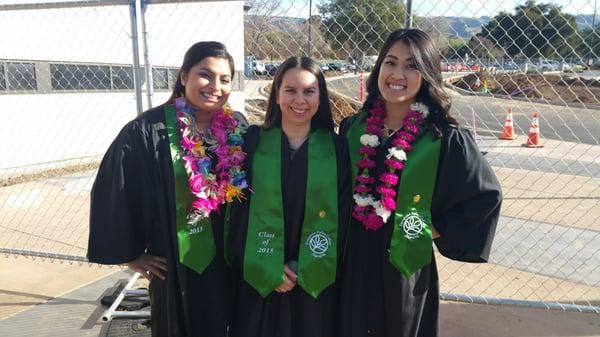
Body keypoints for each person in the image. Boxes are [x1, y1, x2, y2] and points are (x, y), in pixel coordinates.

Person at [339, 29, 502, 337]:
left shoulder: (442, 137)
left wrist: (431, 228)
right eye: (391, 62)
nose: (397, 74)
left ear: (427, 74)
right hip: (353, 262)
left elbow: (485, 196)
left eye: (412, 65)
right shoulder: (352, 129)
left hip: (406, 268)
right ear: (379, 69)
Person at [87, 41, 248, 337]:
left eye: (224, 79)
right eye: (205, 75)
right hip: (177, 264)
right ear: (184, 75)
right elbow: (119, 187)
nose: (215, 86)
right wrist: (132, 253)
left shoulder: (236, 127)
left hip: (230, 260)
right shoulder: (150, 130)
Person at [228, 56, 352, 337]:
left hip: (314, 274)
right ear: (276, 93)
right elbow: (236, 212)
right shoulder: (251, 142)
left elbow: (343, 214)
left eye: (309, 91)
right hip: (258, 274)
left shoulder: (337, 149)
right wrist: (267, 264)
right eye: (290, 90)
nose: (300, 100)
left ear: (321, 96)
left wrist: (298, 265)